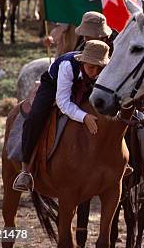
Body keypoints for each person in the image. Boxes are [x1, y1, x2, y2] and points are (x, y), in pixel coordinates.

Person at [12, 40, 111, 192]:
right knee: (35, 118)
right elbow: (63, 102)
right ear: (82, 61)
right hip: (53, 85)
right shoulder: (67, 65)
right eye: (91, 67)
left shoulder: (101, 71)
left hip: (86, 87)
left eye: (99, 68)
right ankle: (25, 170)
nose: (94, 72)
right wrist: (84, 116)